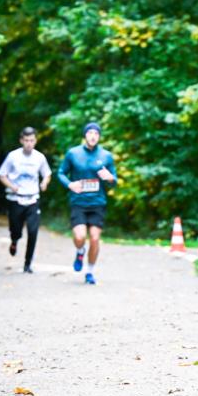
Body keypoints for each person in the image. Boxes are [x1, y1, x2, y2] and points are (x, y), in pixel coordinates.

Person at [57, 122, 117, 285]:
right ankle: (80, 250)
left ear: (99, 137)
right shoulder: (73, 153)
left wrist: (110, 178)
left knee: (95, 239)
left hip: (98, 203)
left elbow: (113, 181)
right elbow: (61, 173)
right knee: (80, 236)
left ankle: (89, 272)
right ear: (85, 136)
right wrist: (70, 184)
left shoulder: (106, 156)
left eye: (96, 134)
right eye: (90, 133)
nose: (93, 136)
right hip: (79, 202)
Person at [0, 127, 52, 274]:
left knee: (33, 231)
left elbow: (47, 173)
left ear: (35, 141)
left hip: (33, 198)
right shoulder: (13, 156)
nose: (29, 143)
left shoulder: (39, 157)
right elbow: (1, 174)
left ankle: (28, 264)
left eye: (32, 140)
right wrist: (11, 186)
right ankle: (14, 240)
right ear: (21, 141)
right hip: (15, 199)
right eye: (26, 140)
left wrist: (44, 182)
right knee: (16, 229)